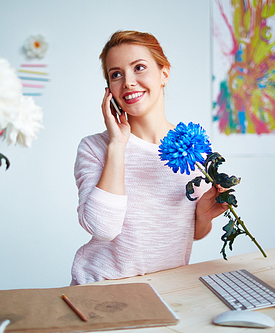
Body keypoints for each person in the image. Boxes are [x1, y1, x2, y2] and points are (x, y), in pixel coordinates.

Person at [71, 30, 228, 285]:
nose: (128, 82)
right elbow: (103, 228)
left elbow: (195, 234)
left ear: (164, 73)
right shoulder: (94, 148)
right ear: (109, 89)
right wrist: (118, 145)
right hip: (100, 287)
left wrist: (203, 215)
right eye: (116, 74)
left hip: (166, 289)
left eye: (139, 67)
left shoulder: (194, 148)